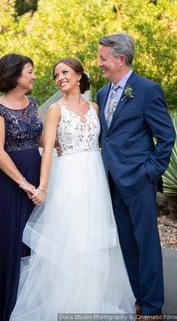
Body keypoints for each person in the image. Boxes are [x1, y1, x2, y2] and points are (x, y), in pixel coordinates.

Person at [10, 57, 135, 320]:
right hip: (69, 180)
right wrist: (43, 186)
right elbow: (46, 151)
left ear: (79, 76)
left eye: (65, 72)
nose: (60, 78)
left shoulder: (95, 107)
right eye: (56, 75)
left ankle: (90, 303)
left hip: (96, 179)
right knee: (72, 238)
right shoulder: (55, 109)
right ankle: (66, 303)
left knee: (94, 239)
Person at [97, 33, 176, 319]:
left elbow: (166, 137)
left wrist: (150, 172)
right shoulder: (103, 93)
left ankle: (154, 307)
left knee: (147, 244)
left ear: (120, 58)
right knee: (127, 245)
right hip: (111, 181)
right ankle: (138, 298)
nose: (99, 64)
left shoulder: (146, 89)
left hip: (139, 181)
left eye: (103, 58)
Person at [0, 53, 43, 321]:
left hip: (36, 175)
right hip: (10, 183)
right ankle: (6, 308)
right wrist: (23, 182)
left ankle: (32, 307)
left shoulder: (33, 103)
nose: (33, 75)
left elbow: (41, 136)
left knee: (37, 239)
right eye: (29, 71)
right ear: (15, 76)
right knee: (11, 241)